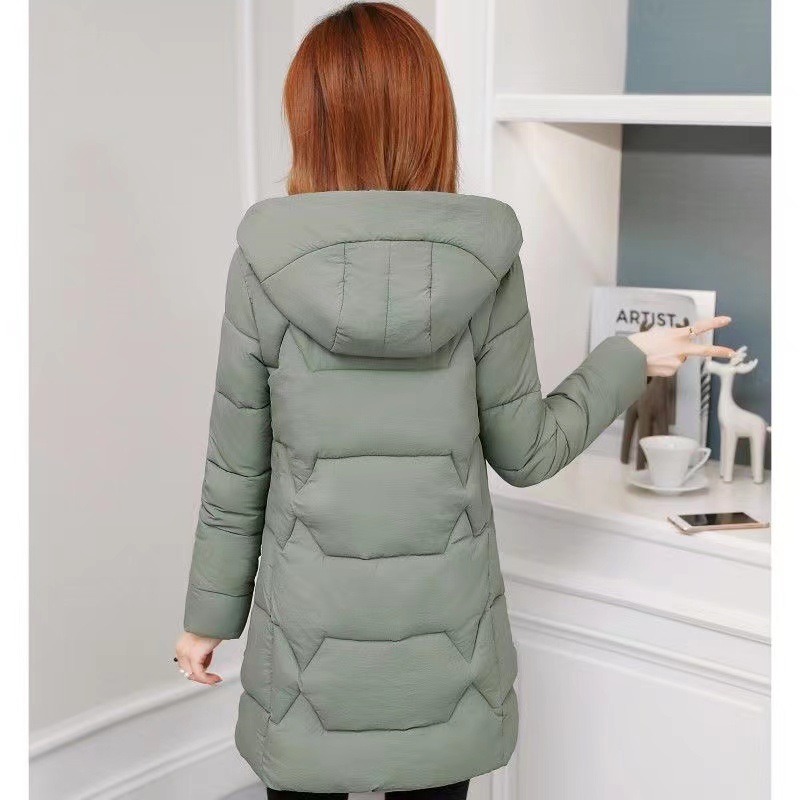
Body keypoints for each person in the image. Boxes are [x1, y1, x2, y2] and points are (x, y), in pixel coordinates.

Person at [174, 3, 735, 798]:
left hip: (306, 659)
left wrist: (206, 619)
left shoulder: (264, 264)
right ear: (430, 116)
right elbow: (528, 451)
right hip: (446, 662)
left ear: (312, 122)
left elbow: (236, 474)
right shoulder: (484, 260)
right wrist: (629, 358)